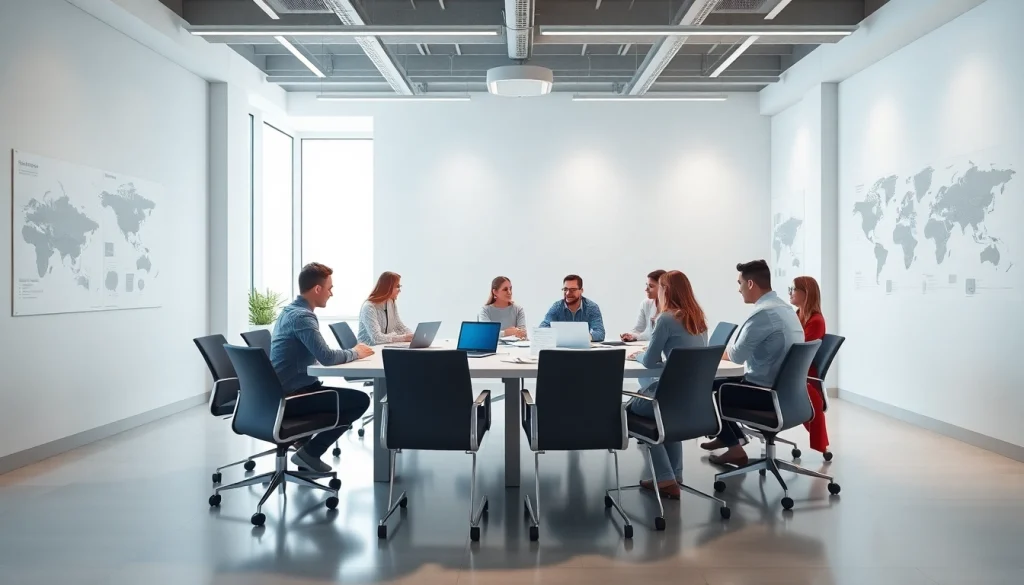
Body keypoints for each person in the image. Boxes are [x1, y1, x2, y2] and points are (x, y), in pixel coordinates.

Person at [270, 262, 374, 473]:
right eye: (329, 288)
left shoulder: (290, 311)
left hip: (281, 394)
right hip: (293, 397)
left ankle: (302, 442)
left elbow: (315, 354)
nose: (331, 293)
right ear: (317, 289)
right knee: (360, 401)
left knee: (336, 394)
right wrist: (356, 352)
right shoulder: (302, 317)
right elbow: (326, 357)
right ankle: (310, 453)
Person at [701, 259, 804, 466]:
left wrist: (711, 352)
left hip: (766, 394)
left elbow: (737, 355)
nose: (739, 290)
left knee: (703, 390)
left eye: (739, 283)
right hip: (790, 394)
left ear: (750, 284)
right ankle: (729, 438)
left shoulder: (763, 313)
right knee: (721, 384)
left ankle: (735, 447)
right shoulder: (785, 308)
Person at [626, 270, 709, 499]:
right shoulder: (698, 318)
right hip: (693, 398)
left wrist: (638, 355)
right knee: (666, 416)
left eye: (659, 287)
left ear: (666, 290)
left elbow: (651, 360)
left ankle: (664, 478)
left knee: (629, 411)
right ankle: (675, 475)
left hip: (666, 398)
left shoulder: (666, 318)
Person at [790, 275, 829, 454]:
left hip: (804, 374)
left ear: (806, 294)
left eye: (793, 289)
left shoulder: (816, 321)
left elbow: (798, 352)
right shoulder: (797, 315)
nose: (790, 293)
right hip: (796, 371)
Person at [538, 274, 606, 342]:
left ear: (581, 290)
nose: (567, 293)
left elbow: (600, 332)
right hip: (562, 350)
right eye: (565, 289)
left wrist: (585, 337)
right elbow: (543, 328)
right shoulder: (556, 307)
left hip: (583, 350)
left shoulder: (592, 307)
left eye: (573, 290)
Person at [358, 271, 414, 345]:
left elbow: (399, 326)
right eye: (397, 286)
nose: (399, 290)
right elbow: (377, 338)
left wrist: (413, 336)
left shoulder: (391, 302)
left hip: (384, 346)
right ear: (388, 287)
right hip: (370, 349)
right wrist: (404, 338)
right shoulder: (369, 307)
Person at [621, 269, 666, 342]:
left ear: (663, 288)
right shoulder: (646, 304)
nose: (646, 289)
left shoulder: (672, 310)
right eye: (647, 285)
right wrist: (630, 335)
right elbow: (638, 329)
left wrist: (636, 337)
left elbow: (654, 335)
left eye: (651, 286)